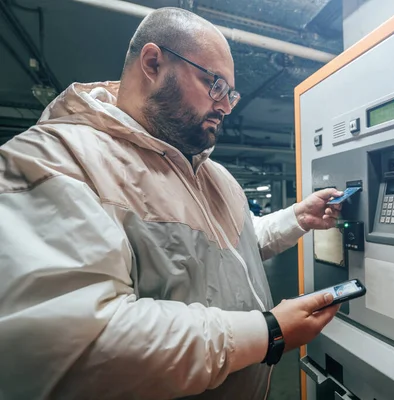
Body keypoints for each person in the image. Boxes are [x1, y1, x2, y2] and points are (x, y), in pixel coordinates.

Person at [0, 7, 344, 400]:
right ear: (152, 63)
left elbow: (233, 246)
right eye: (214, 85)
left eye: (231, 94)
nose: (225, 107)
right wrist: (267, 331)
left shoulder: (213, 176)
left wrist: (297, 217)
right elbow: (79, 343)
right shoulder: (54, 161)